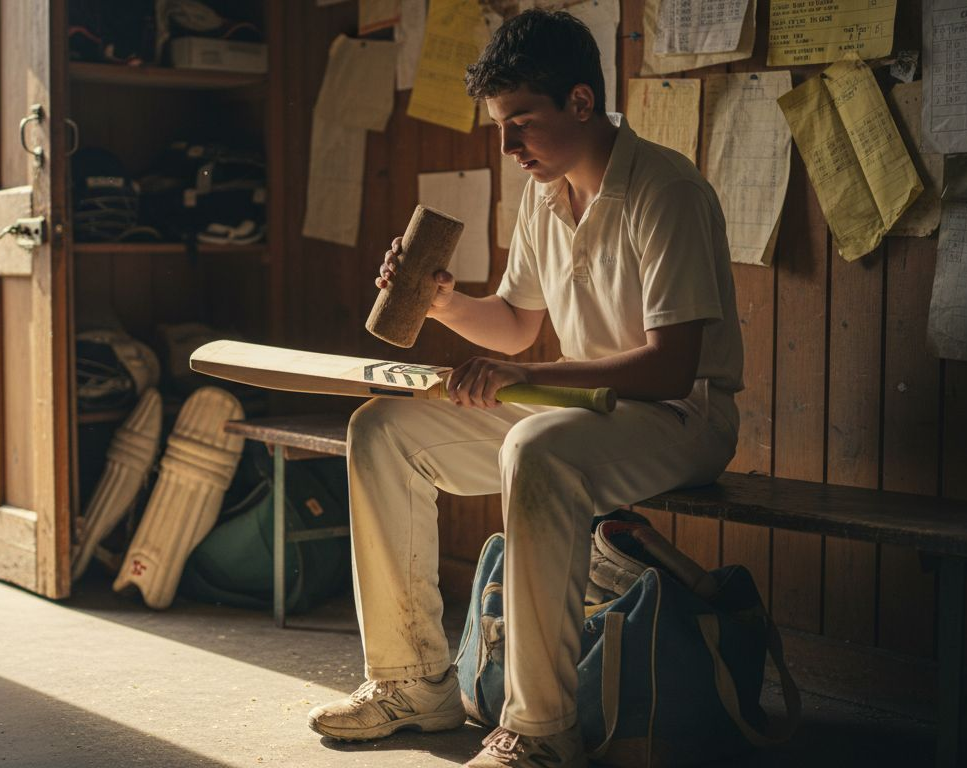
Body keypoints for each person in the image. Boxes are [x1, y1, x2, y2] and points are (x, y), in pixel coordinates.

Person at [307, 9, 743, 767]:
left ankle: (540, 733)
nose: (508, 147)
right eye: (500, 126)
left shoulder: (665, 189)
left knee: (539, 446)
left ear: (581, 101)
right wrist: (441, 300)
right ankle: (413, 682)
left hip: (681, 418)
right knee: (385, 431)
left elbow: (672, 366)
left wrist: (529, 377)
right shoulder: (547, 197)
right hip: (579, 411)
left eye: (521, 123)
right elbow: (512, 325)